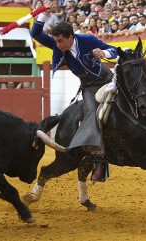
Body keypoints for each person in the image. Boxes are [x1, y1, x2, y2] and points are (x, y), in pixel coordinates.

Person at [31, 1, 118, 182]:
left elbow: (114, 50)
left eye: (60, 41)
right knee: (92, 115)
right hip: (89, 87)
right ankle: (100, 160)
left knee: (139, 97)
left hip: (108, 79)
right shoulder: (57, 45)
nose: (58, 45)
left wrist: (105, 54)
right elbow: (35, 33)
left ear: (71, 37)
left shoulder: (88, 40)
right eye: (56, 41)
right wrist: (43, 15)